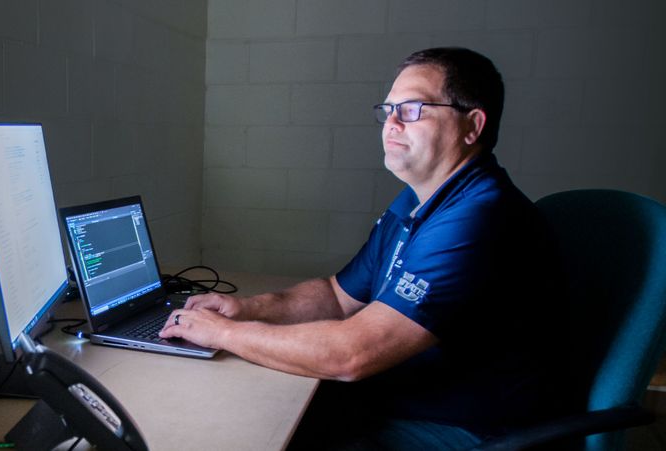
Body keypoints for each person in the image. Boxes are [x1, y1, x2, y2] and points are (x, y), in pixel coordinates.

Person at [160, 47, 564, 449]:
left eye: (412, 109)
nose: (391, 124)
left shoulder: (480, 215)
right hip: (402, 397)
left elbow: (352, 355)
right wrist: (248, 309)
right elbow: (337, 296)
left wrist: (226, 334)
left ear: (472, 126)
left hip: (466, 430)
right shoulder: (417, 199)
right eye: (387, 110)